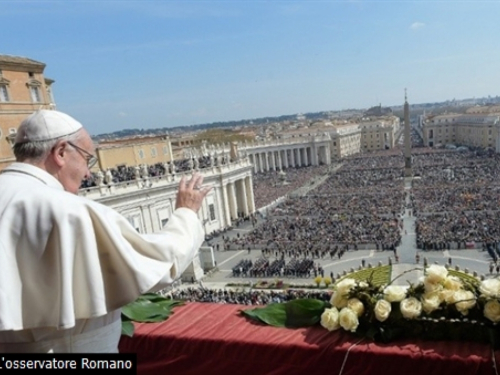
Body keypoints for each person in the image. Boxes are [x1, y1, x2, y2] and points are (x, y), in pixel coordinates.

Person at [0, 110, 212, 353]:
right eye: (86, 158)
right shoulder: (71, 212)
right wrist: (185, 213)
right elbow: (160, 263)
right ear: (60, 152)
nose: (88, 172)